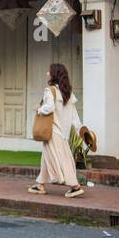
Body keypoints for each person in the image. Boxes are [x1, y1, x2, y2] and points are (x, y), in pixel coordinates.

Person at [27, 62, 84, 198]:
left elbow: (49, 108)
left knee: (62, 159)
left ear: (54, 75)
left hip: (52, 132)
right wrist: (80, 130)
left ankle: (75, 186)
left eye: (49, 71)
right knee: (46, 157)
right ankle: (40, 184)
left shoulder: (50, 90)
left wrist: (38, 109)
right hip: (62, 133)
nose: (47, 73)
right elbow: (74, 116)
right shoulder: (67, 93)